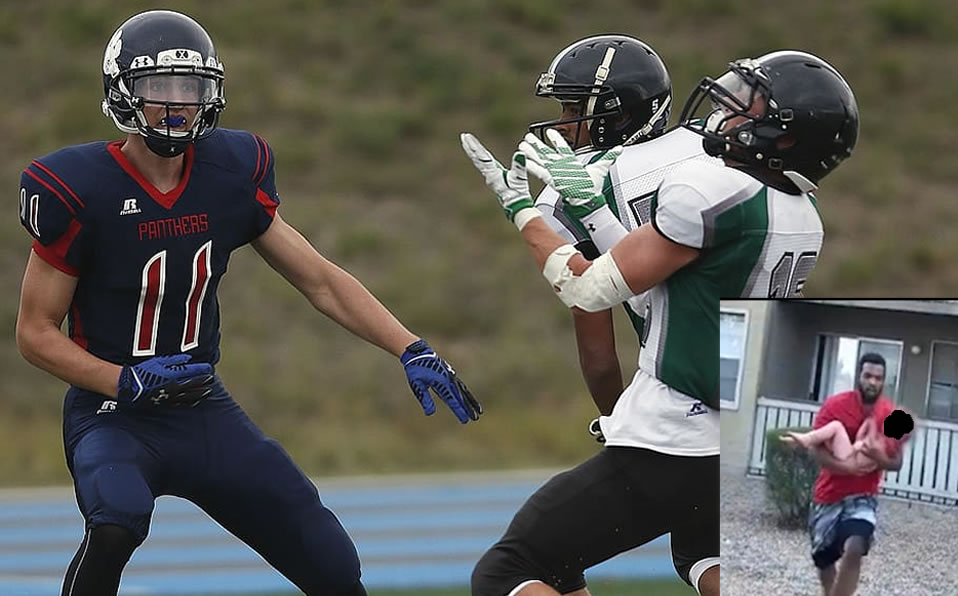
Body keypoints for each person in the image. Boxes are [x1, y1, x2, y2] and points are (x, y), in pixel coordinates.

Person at [15, 10, 480, 596]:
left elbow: (320, 279)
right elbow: (35, 332)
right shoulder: (76, 186)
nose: (177, 105)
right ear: (122, 92)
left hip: (199, 404)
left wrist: (409, 347)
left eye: (191, 88)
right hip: (114, 411)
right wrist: (123, 381)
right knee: (116, 519)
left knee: (332, 562)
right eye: (159, 88)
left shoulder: (230, 170)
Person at [462, 45, 859, 596]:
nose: (729, 109)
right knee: (706, 557)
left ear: (785, 136)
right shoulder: (800, 215)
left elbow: (591, 286)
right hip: (736, 438)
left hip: (675, 436)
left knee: (510, 570)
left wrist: (523, 212)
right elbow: (664, 297)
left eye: (751, 104)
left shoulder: (709, 189)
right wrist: (597, 212)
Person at [785, 353, 909, 596]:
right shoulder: (836, 405)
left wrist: (877, 456)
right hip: (828, 494)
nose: (872, 382)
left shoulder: (889, 414)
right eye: (868, 376)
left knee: (855, 546)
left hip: (863, 495)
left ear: (885, 381)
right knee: (824, 561)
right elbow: (816, 452)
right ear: (858, 377)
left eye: (878, 378)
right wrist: (848, 468)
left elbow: (896, 463)